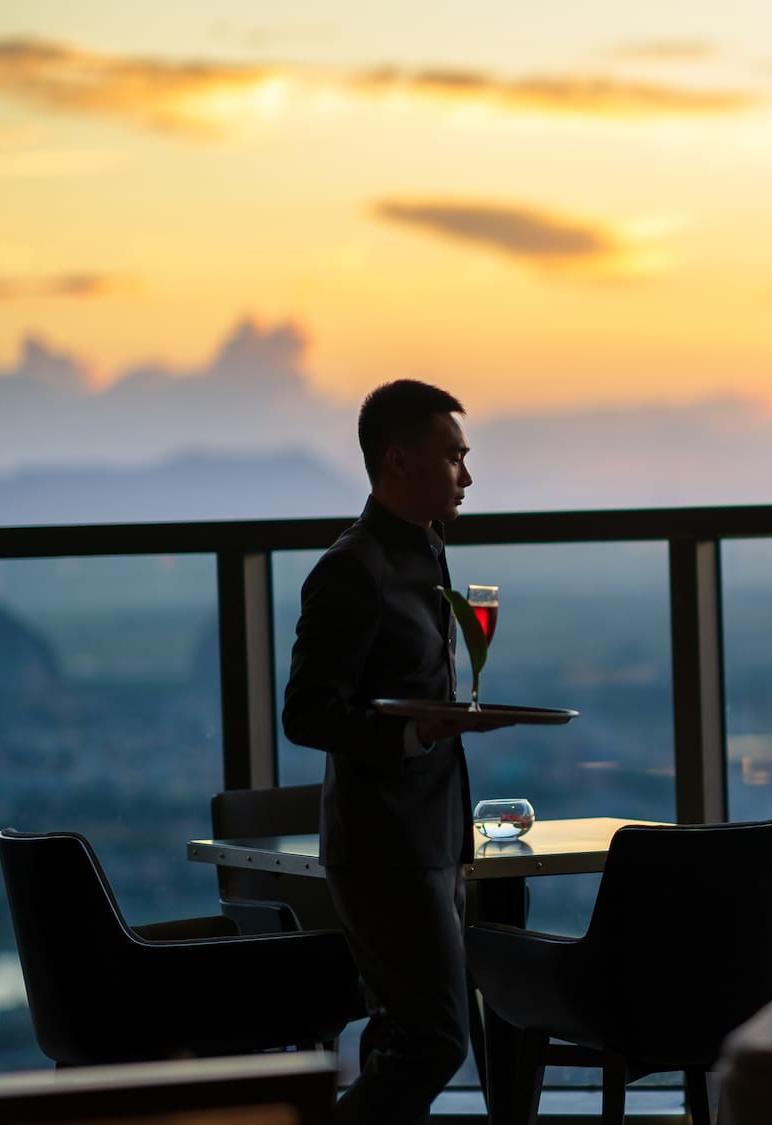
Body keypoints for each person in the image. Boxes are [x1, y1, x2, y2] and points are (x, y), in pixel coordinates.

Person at [283, 379, 497, 1124]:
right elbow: (306, 714)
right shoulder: (353, 567)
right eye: (453, 458)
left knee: (402, 1030)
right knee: (439, 1036)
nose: (466, 477)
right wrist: (415, 732)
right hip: (382, 845)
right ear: (398, 461)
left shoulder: (427, 550)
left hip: (434, 832)